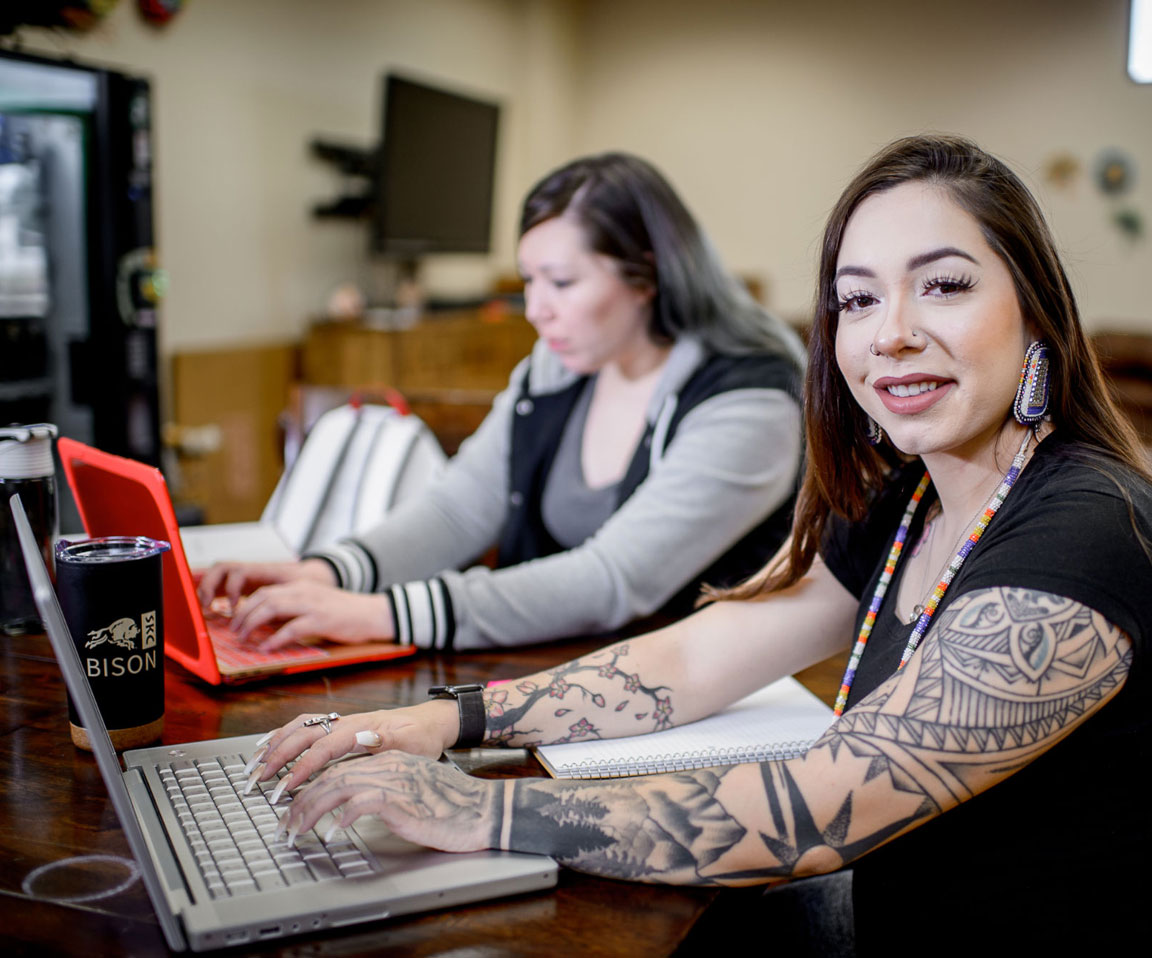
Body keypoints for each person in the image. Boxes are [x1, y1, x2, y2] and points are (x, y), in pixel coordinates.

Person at [246, 136, 1152, 951]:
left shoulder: (1090, 532)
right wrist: (453, 720)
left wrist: (482, 813)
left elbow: (815, 806)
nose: (892, 333)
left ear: (1038, 313)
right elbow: (702, 653)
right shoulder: (915, 496)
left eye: (947, 285)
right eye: (859, 298)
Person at [199, 153, 805, 653]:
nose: (537, 309)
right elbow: (461, 508)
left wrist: (381, 613)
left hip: (698, 697)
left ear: (646, 275)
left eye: (562, 283)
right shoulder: (559, 365)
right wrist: (330, 573)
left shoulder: (748, 399)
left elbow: (614, 580)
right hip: (558, 671)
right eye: (529, 281)